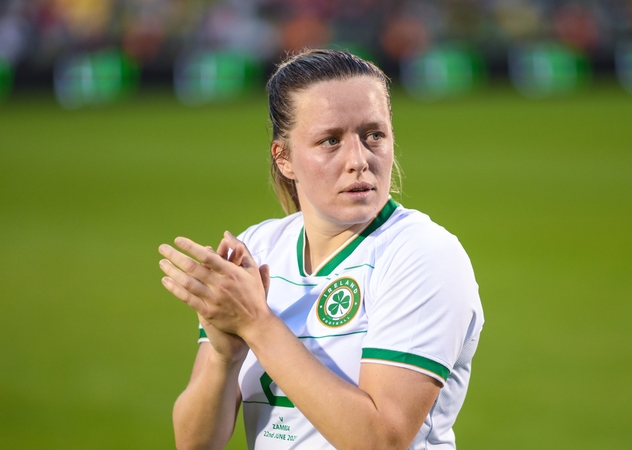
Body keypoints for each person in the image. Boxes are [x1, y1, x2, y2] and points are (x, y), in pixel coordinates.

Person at [158, 49, 484, 450]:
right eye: (330, 141)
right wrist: (224, 357)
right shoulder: (258, 249)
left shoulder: (422, 253)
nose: (359, 160)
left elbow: (382, 441)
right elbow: (195, 444)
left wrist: (257, 325)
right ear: (284, 158)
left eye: (374, 135)